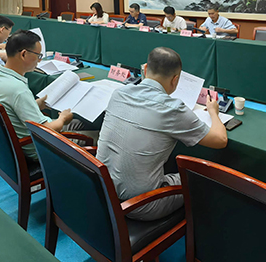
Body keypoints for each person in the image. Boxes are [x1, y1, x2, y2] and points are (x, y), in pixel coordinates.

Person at [97, 47, 228, 221]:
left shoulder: (119, 93)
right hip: (141, 204)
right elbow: (220, 140)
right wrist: (213, 112)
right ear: (175, 80)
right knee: (201, 176)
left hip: (103, 192)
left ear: (145, 69)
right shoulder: (172, 108)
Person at [0, 30, 73, 162]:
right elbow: (45, 130)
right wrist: (62, 119)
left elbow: (11, 109)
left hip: (14, 140)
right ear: (24, 54)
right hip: (39, 147)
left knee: (77, 124)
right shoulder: (19, 90)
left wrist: (36, 104)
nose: (39, 60)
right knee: (93, 136)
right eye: (38, 55)